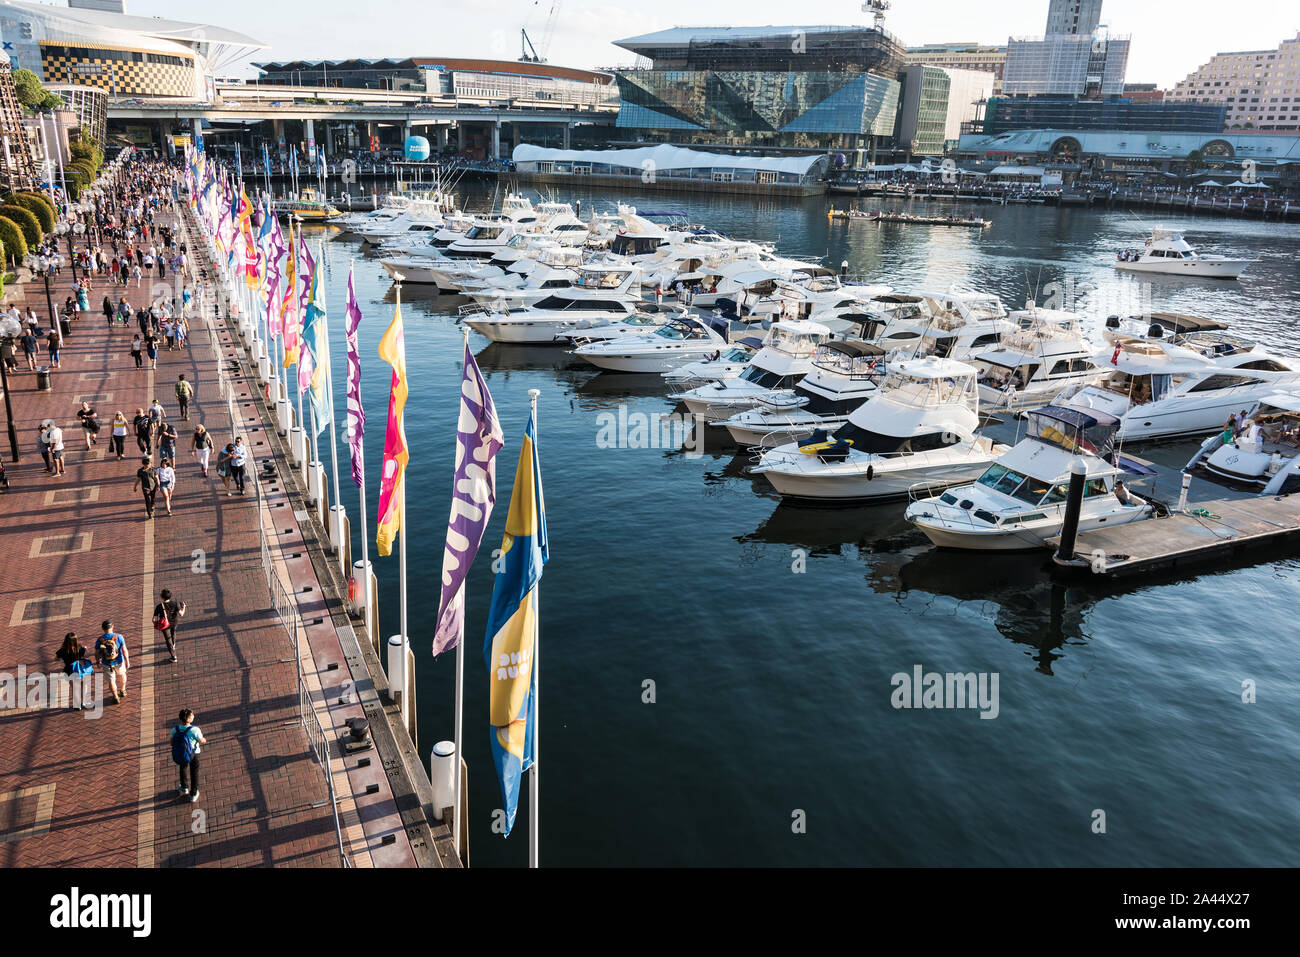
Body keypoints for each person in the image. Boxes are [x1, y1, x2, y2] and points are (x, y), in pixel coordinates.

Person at [170, 709, 207, 802]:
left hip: (182, 753)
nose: (193, 716)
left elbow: (171, 742)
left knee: (183, 768)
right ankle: (193, 793)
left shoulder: (175, 729)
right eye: (192, 715)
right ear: (188, 719)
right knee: (194, 772)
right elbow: (201, 740)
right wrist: (204, 740)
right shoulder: (195, 730)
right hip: (194, 753)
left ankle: (184, 787)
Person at [55, 633, 92, 711]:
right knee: (84, 686)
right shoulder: (80, 648)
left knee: (75, 688)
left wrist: (62, 659)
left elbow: (55, 658)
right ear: (76, 640)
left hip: (69, 670)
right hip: (81, 670)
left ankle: (77, 705)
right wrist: (86, 648)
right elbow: (87, 655)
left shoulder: (62, 650)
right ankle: (85, 701)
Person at [95, 621, 129, 703]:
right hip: (119, 661)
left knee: (111, 681)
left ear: (103, 628)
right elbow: (124, 650)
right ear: (112, 626)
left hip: (107, 663)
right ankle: (123, 690)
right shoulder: (119, 637)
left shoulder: (100, 639)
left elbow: (96, 653)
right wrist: (127, 660)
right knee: (122, 675)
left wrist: (98, 661)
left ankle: (116, 697)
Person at [154, 588, 186, 662]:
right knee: (173, 633)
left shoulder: (159, 606)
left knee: (168, 640)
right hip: (174, 623)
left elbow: (154, 619)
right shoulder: (175, 603)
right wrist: (184, 607)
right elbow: (181, 614)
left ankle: (173, 656)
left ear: (162, 597)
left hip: (164, 625)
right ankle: (173, 644)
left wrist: (156, 623)